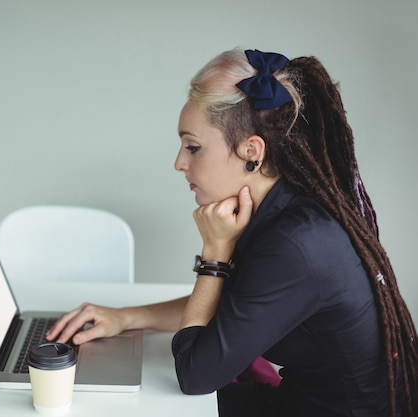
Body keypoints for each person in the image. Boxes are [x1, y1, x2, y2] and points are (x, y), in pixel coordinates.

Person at [45, 48, 418, 416]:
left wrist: (214, 252)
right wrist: (127, 317)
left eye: (193, 147)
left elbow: (194, 375)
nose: (179, 163)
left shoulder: (295, 244)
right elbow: (233, 311)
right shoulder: (282, 210)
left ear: (251, 152)